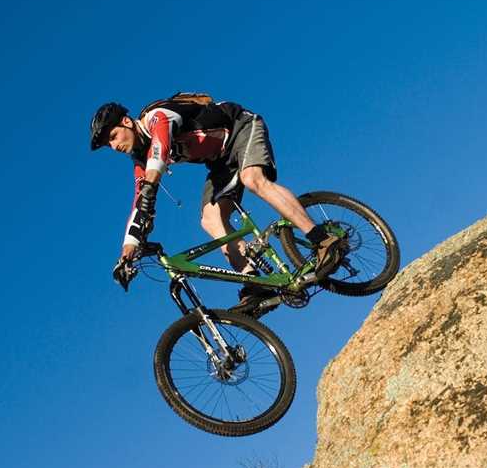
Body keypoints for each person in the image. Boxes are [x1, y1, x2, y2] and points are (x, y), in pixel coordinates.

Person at [89, 93, 346, 314]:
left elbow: (161, 146)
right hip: (220, 161)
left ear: (126, 122)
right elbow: (138, 202)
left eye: (113, 136)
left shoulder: (156, 117)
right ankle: (256, 283)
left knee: (252, 178)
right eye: (107, 144)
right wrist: (127, 250)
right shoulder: (140, 160)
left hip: (241, 126)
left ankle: (322, 238)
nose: (113, 146)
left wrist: (150, 186)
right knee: (210, 219)